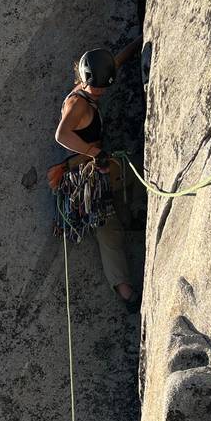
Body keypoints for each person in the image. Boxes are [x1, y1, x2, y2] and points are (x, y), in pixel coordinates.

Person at [53, 43, 138, 306]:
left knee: (127, 179)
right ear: (87, 79)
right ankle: (126, 294)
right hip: (83, 174)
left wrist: (139, 42)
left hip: (96, 163)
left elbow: (115, 61)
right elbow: (61, 134)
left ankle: (134, 213)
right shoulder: (78, 104)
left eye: (105, 85)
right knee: (106, 225)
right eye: (98, 86)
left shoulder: (90, 80)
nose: (102, 90)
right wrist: (92, 152)